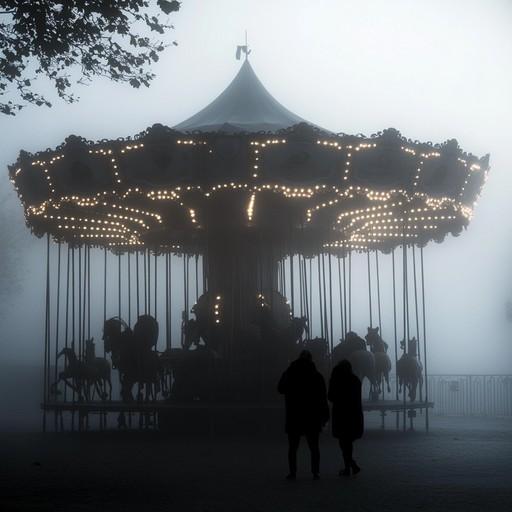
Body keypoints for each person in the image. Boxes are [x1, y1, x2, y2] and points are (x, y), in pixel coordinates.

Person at [277, 350, 330, 480]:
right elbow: (323, 397)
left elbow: (280, 389)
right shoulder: (317, 376)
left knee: (293, 447)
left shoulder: (289, 373)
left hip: (294, 415)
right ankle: (315, 472)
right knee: (314, 447)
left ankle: (293, 471)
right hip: (312, 417)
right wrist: (325, 416)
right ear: (311, 360)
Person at [328, 359, 364, 476]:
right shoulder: (356, 380)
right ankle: (349, 466)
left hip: (341, 413)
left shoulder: (336, 379)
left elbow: (331, 396)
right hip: (354, 413)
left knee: (343, 441)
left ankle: (351, 465)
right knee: (348, 441)